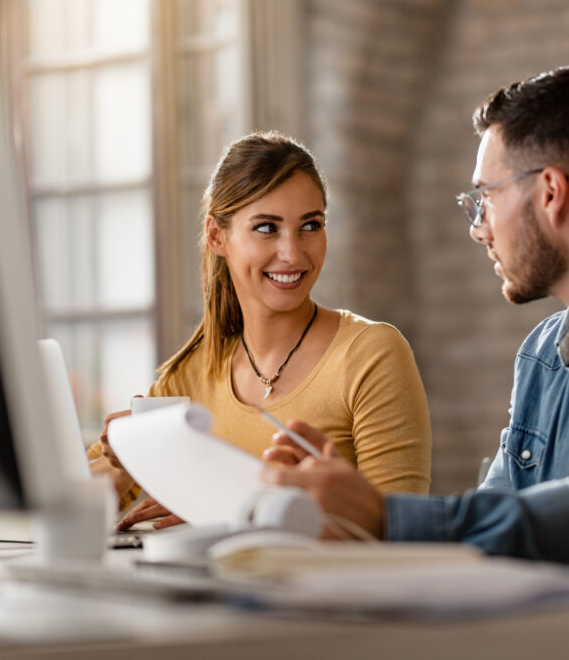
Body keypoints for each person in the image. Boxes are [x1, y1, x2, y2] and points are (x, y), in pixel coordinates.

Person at [262, 67, 569, 569]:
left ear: (550, 192)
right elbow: (495, 526)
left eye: (486, 198)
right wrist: (350, 517)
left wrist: (386, 518)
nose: (479, 230)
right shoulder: (543, 354)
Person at [89, 131, 432, 527]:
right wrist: (132, 458)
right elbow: (68, 501)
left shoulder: (371, 354)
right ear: (218, 237)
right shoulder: (188, 377)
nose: (293, 253)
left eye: (311, 225)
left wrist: (217, 510)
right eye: (267, 228)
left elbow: (401, 532)